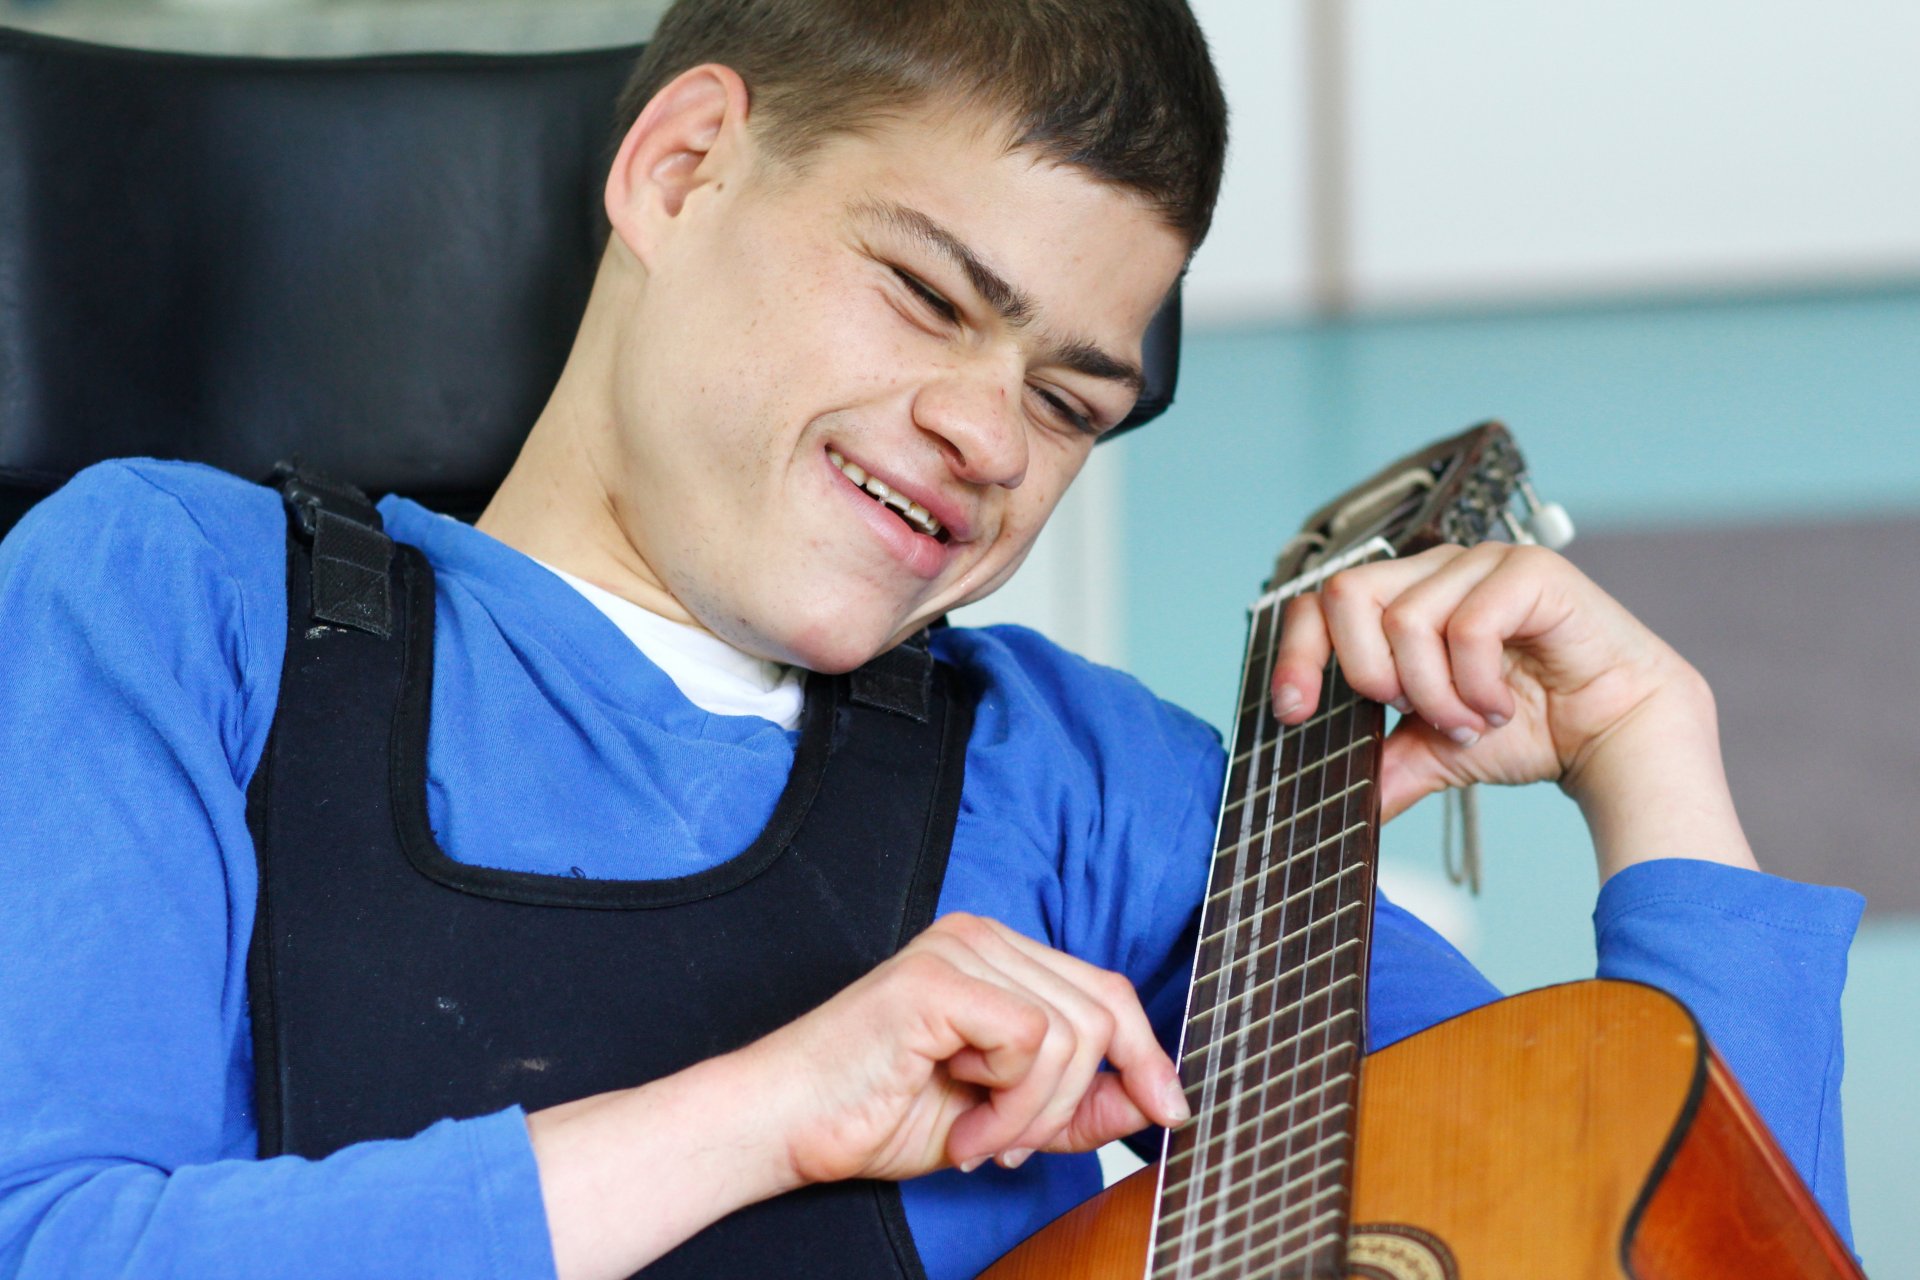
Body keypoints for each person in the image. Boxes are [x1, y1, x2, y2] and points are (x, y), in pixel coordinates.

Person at [0, 1, 1862, 1277]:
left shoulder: (1090, 783)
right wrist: (778, 1108)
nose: (988, 433)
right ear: (680, 168)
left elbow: (1662, 1224)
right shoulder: (184, 592)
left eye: (1069, 396)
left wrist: (1656, 766)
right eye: (924, 291)